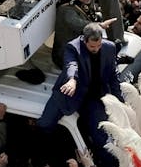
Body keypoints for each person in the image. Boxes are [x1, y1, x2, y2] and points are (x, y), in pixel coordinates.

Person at [38, 22, 120, 154]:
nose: (96, 49)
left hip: (95, 97)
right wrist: (72, 80)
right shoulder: (73, 47)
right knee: (45, 124)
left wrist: (119, 100)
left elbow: (113, 75)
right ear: (84, 39)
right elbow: (71, 64)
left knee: (101, 136)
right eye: (92, 46)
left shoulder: (109, 47)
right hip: (69, 93)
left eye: (99, 45)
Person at [51, 0, 113, 67]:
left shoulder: (81, 2)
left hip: (79, 48)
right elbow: (78, 24)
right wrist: (100, 25)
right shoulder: (67, 9)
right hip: (66, 57)